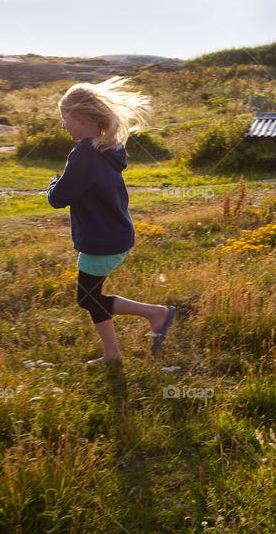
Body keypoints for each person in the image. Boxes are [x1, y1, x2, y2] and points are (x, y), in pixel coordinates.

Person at [47, 76, 175, 365]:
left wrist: (53, 183)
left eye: (65, 119)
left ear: (80, 119)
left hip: (102, 240)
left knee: (87, 298)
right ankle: (112, 354)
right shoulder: (109, 146)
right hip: (116, 235)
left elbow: (59, 198)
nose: (63, 125)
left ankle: (155, 313)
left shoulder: (84, 153)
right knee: (91, 295)